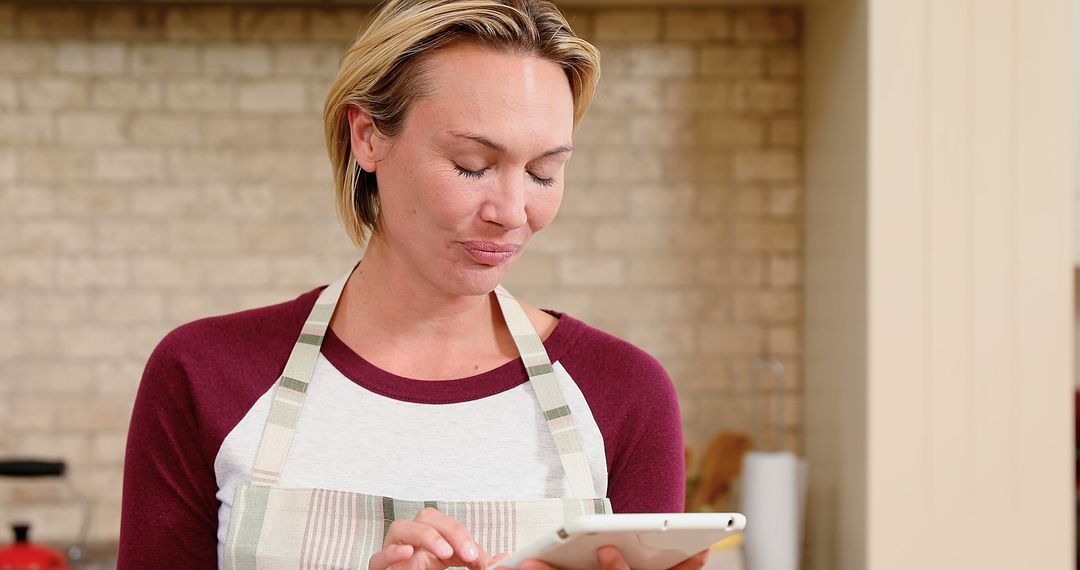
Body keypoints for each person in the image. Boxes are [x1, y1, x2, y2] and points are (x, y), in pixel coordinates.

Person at [117, 1, 699, 569]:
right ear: (368, 136)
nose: (513, 211)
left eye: (544, 172)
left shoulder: (624, 393)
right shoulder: (205, 372)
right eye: (472, 164)